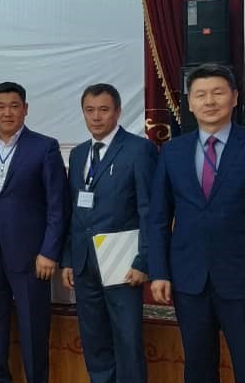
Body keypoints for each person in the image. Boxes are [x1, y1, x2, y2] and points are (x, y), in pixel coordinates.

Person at [148, 63, 245, 383]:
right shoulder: (173, 151)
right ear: (190, 103)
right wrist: (159, 271)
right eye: (200, 94)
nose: (209, 101)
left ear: (235, 97)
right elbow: (158, 218)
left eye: (218, 92)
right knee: (198, 368)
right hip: (189, 280)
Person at [0, 81, 68, 383]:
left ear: (25, 109)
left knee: (34, 330)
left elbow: (57, 205)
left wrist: (49, 251)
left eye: (14, 106)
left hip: (32, 257)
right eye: (1, 106)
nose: (7, 112)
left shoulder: (44, 146)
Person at [61, 84, 157, 383]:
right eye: (89, 110)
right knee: (95, 339)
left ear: (118, 112)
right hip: (84, 262)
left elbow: (149, 210)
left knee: (127, 340)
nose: (96, 117)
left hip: (122, 262)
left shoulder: (139, 150)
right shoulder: (78, 154)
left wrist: (144, 260)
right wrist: (68, 258)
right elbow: (73, 211)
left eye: (103, 110)